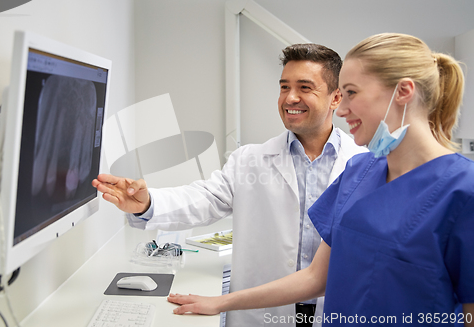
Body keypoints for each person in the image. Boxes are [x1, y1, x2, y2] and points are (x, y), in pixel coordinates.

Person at [166, 33, 474, 326]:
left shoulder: (463, 190)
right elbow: (317, 276)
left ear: (403, 92)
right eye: (283, 86)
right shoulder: (359, 172)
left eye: (352, 92)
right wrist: (221, 302)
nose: (343, 109)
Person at [92, 43, 367, 327]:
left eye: (305, 88)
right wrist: (148, 204)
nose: (290, 98)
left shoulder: (365, 164)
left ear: (336, 98)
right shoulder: (250, 159)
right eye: (284, 87)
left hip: (336, 309)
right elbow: (204, 199)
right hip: (262, 314)